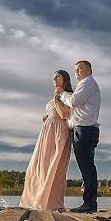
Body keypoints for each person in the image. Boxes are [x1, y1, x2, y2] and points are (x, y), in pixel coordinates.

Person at [19, 70, 74, 210]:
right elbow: (54, 112)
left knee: (54, 167)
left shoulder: (67, 96)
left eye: (58, 76)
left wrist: (56, 99)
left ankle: (51, 202)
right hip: (47, 133)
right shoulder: (54, 97)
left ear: (65, 79)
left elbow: (63, 114)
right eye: (54, 77)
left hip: (58, 133)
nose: (55, 79)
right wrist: (46, 117)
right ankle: (35, 199)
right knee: (38, 166)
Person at [56, 60, 101, 213]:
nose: (76, 71)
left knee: (87, 166)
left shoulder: (88, 83)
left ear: (89, 69)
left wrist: (62, 94)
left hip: (85, 130)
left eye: (80, 68)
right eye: (75, 69)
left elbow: (74, 102)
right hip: (83, 129)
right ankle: (89, 202)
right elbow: (76, 113)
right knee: (86, 166)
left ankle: (90, 203)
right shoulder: (86, 84)